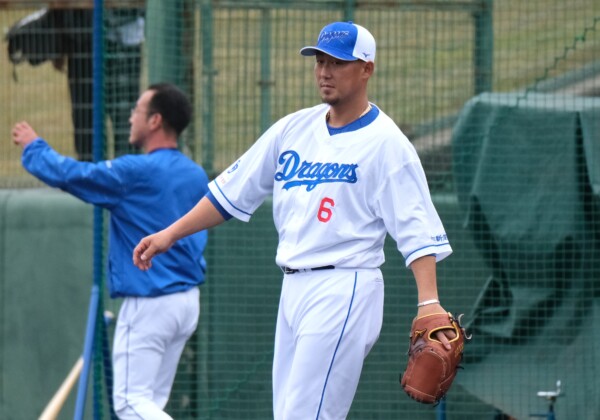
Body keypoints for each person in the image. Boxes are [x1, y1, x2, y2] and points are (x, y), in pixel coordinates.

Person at [133, 22, 455, 419]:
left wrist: (429, 302)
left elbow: (416, 229)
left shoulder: (387, 145)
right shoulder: (293, 128)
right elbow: (229, 192)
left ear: (367, 68)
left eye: (337, 62)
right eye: (320, 61)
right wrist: (170, 234)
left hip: (345, 285)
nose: (324, 71)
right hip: (293, 287)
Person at [12, 83, 209, 420]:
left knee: (130, 403)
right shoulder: (195, 173)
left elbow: (73, 175)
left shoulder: (136, 172)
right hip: (186, 304)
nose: (132, 116)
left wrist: (34, 148)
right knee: (148, 406)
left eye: (138, 109)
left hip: (150, 303)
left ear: (155, 121)